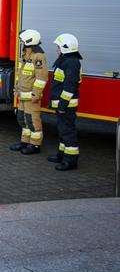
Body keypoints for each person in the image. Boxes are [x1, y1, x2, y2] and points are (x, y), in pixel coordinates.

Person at [10, 29, 48, 155]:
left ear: (29, 42)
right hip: (22, 96)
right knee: (23, 119)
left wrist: (36, 94)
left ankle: (35, 145)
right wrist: (16, 89)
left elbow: (41, 78)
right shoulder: (26, 56)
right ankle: (25, 141)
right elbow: (20, 75)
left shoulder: (38, 57)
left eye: (22, 41)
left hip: (31, 97)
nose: (21, 43)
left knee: (33, 121)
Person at [48, 33, 82, 171]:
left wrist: (62, 105)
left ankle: (71, 161)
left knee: (68, 132)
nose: (57, 50)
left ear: (65, 48)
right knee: (62, 130)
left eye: (58, 47)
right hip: (63, 104)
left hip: (67, 105)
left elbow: (69, 87)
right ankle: (62, 155)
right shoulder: (65, 60)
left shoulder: (71, 63)